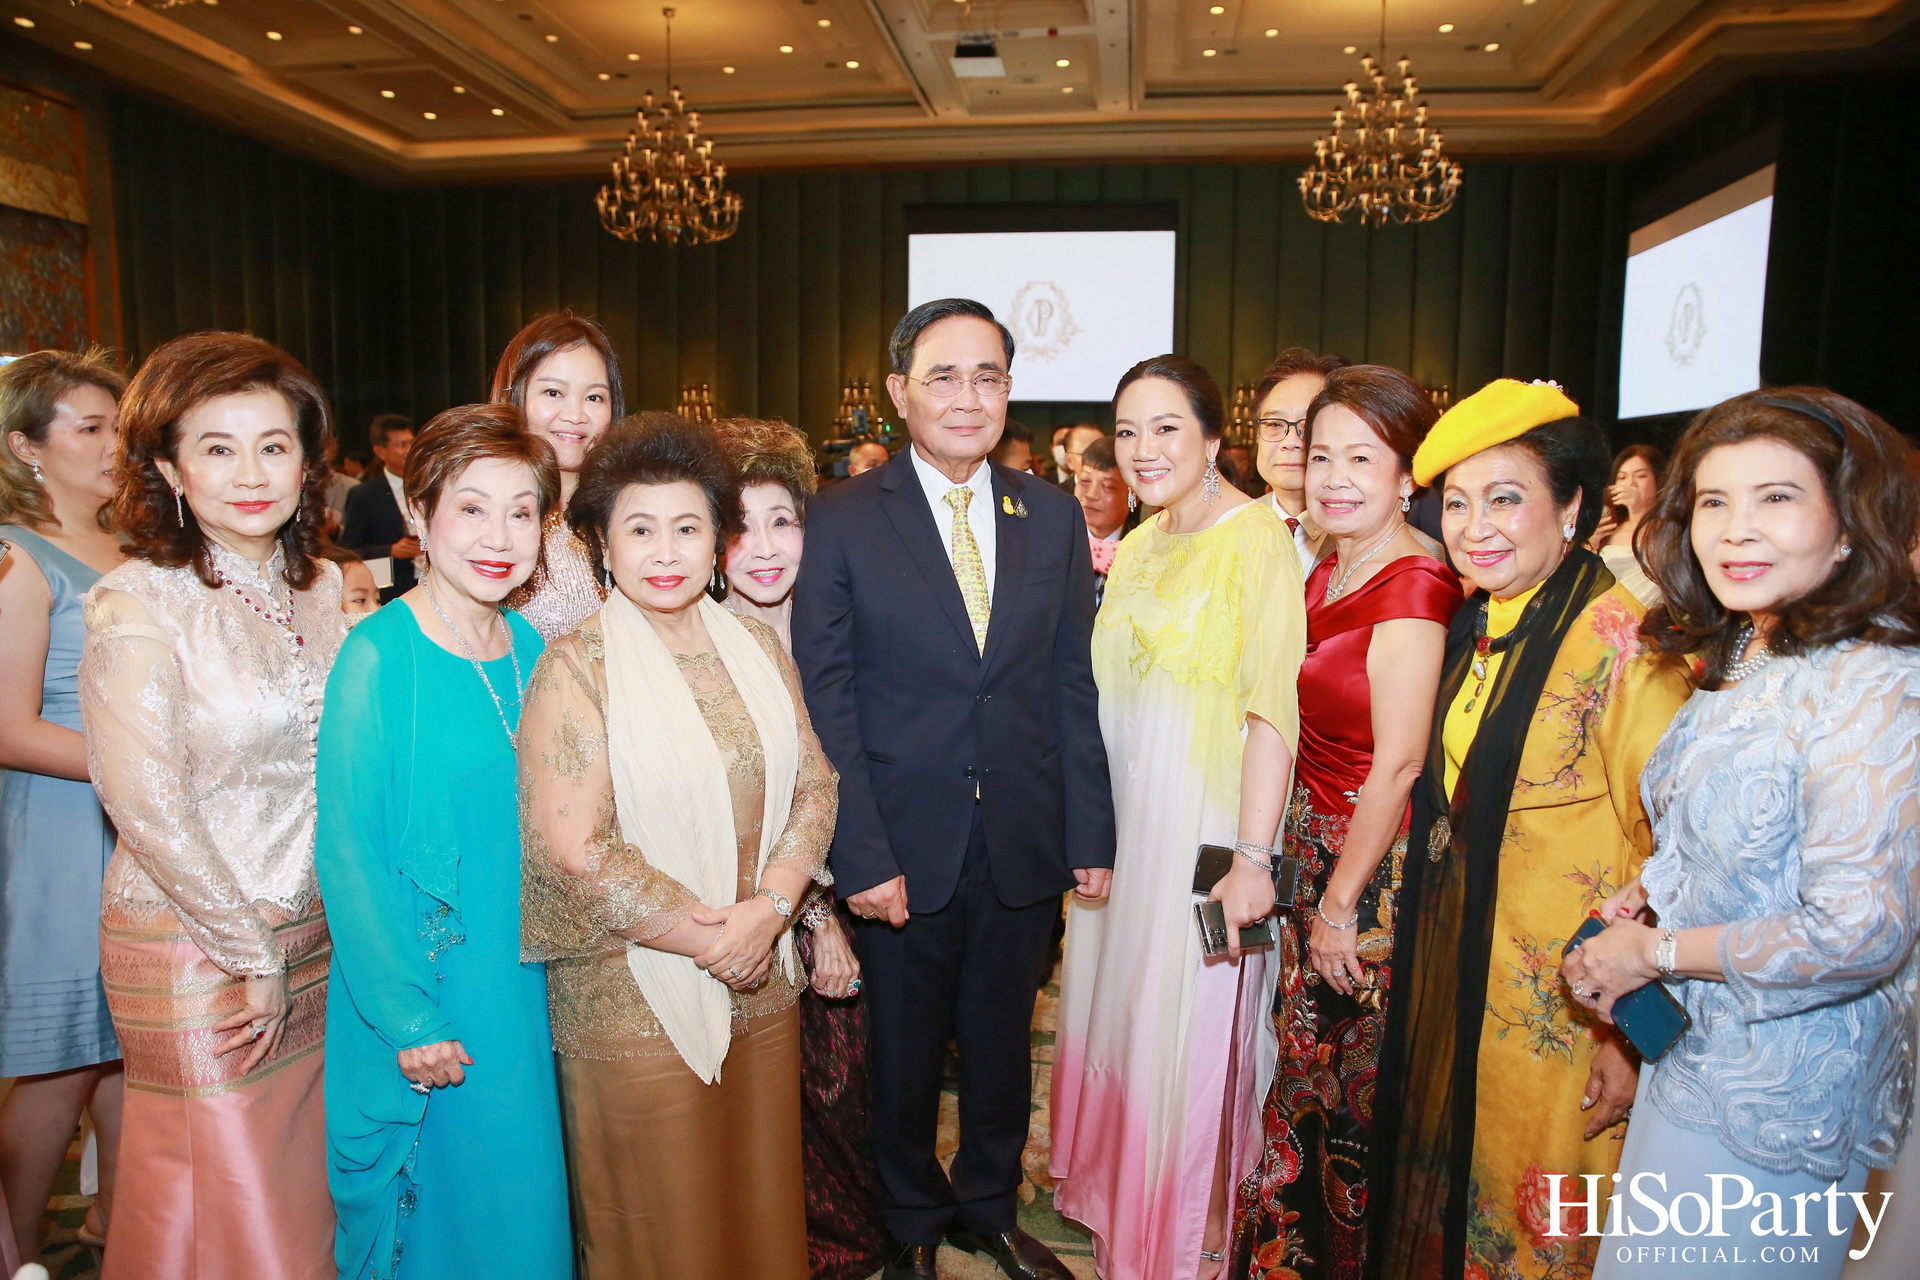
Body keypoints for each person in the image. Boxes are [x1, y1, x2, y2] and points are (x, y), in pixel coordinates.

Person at [1562, 389, 1920, 1280]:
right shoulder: (1757, 650)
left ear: (1849, 523)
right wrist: (1653, 891)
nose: (1736, 529)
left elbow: (1860, 931)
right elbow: (1726, 825)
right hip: (1696, 1057)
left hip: (1780, 1097)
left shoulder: (1874, 683)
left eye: (1777, 497)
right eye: (1715, 502)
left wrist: (1660, 951)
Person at [793, 298, 1114, 1280]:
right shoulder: (842, 517)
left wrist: (1090, 828)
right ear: (899, 392)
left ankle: (986, 1203)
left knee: (999, 1038)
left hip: (1021, 832)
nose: (967, 396)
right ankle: (910, 1223)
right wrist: (863, 852)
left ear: (1010, 391)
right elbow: (829, 694)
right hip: (901, 837)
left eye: (988, 375)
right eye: (943, 375)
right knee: (901, 1051)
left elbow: (1070, 679)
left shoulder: (1050, 514)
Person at [1369, 380, 1693, 1280]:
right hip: (1467, 984)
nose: (1477, 527)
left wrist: (1629, 1040)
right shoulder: (1480, 622)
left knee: (1541, 1230)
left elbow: (1680, 858)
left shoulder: (1630, 648)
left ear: (1575, 505)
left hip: (1570, 1020)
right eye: (1460, 504)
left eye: (1506, 499)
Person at [519, 412, 837, 1280]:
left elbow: (815, 781)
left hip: (760, 978)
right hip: (635, 992)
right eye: (641, 529)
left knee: (757, 1199)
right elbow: (577, 850)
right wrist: (717, 940)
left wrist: (769, 914)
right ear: (601, 544)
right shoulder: (577, 666)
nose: (666, 551)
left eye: (688, 527)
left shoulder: (757, 649)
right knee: (664, 1223)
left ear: (717, 540)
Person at [78, 331, 351, 1280]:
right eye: (217, 448)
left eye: (273, 446)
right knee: (225, 1190)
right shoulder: (135, 602)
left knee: (296, 1186)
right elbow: (143, 801)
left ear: (307, 462)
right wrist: (247, 951)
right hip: (200, 950)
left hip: (315, 936)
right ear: (168, 467)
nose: (250, 474)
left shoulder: (322, 590)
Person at [1050, 354, 1304, 1280]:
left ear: (1212, 439)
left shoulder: (1257, 539)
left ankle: (1181, 1228)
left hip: (1202, 835)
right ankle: (1118, 1200)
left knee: (1185, 1027)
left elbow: (1273, 710)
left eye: (1165, 428)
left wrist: (1251, 856)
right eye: (1126, 430)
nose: (1143, 449)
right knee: (1122, 1011)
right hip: (1124, 830)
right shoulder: (1146, 539)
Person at [315, 404, 571, 1279]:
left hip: (533, 977)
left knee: (529, 1201)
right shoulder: (378, 655)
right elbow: (348, 853)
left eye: (522, 510)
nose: (499, 535)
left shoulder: (531, 644)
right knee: (460, 1218)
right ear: (419, 517)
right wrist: (408, 1016)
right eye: (471, 507)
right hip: (437, 992)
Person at [1229, 366, 1459, 1279]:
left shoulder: (1414, 582)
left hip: (1373, 869)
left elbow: (1399, 763)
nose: (1333, 476)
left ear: (1409, 476)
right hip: (1314, 846)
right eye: (1321, 454)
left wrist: (1338, 907)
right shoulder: (1330, 563)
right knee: (1304, 1080)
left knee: (1350, 1098)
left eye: (1362, 457)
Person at [713, 415, 889, 1280]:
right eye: (740, 527)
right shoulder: (697, 646)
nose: (765, 549)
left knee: (856, 1096)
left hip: (861, 891)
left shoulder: (837, 629)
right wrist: (813, 912)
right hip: (746, 916)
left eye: (784, 521)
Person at [0, 349, 126, 1264]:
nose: (115, 444)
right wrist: (140, 767)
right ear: (25, 446)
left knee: (130, 1046)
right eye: (90, 428)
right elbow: (6, 728)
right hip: (59, 828)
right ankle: (17, 1236)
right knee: (62, 1055)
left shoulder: (131, 544)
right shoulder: (16, 556)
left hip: (132, 825)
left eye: (119, 425)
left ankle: (120, 1227)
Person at [493, 311, 624, 639]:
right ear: (514, 396)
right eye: (553, 393)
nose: (575, 415)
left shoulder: (628, 516)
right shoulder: (489, 526)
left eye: (594, 397)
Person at [1252, 348, 1351, 574]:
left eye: (1307, 426)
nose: (1290, 442)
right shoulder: (1225, 526)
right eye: (1274, 424)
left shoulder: (1404, 553)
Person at [341, 413, 418, 603]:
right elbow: (351, 549)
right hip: (392, 593)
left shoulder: (430, 486)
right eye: (402, 445)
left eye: (412, 443)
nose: (410, 450)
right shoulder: (364, 494)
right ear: (380, 452)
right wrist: (390, 550)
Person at [1587, 444, 1667, 605]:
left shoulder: (1669, 527)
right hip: (1603, 616)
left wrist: (1639, 511)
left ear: (1658, 480)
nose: (1630, 484)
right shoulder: (1609, 526)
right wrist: (1591, 545)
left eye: (1641, 476)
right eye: (1622, 477)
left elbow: (1662, 566)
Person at [1075, 435, 1134, 607]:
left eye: (1107, 486)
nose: (1091, 494)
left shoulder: (1145, 551)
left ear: (1134, 496)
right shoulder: (1052, 542)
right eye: (1084, 481)